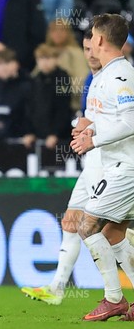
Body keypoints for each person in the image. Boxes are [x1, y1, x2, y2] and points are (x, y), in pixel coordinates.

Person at [20, 28, 112, 306]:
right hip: (93, 160)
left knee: (112, 232)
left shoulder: (119, 78)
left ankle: (115, 297)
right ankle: (57, 287)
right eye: (85, 50)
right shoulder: (92, 79)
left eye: (92, 49)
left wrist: (90, 127)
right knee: (71, 221)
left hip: (113, 163)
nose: (90, 55)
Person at [70, 14, 134, 321]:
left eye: (92, 35)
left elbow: (131, 120)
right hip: (119, 164)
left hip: (127, 168)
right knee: (114, 234)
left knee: (87, 225)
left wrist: (94, 140)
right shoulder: (106, 74)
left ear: (99, 40)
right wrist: (90, 126)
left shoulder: (121, 75)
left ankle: (114, 299)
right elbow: (115, 118)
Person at [23, 44, 72, 150]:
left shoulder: (63, 79)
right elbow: (29, 108)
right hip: (37, 134)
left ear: (56, 59)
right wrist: (30, 132)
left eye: (48, 58)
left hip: (58, 137)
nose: (44, 62)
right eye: (41, 58)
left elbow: (63, 109)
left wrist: (55, 133)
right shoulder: (34, 80)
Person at [46, 19, 89, 113]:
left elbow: (82, 80)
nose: (58, 33)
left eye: (62, 30)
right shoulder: (45, 52)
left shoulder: (76, 53)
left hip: (69, 106)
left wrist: (58, 90)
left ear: (69, 33)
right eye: (54, 30)